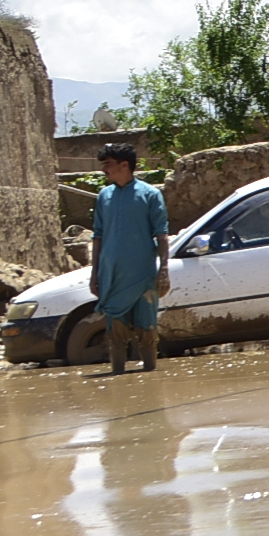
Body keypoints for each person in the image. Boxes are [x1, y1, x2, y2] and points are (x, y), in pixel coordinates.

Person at [90, 139, 170, 375]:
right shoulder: (104, 196)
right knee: (115, 331)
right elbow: (98, 237)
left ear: (124, 165)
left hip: (143, 275)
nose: (104, 170)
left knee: (147, 330)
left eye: (108, 164)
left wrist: (164, 270)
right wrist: (94, 274)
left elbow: (162, 235)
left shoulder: (150, 194)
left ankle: (151, 378)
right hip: (112, 276)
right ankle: (117, 377)